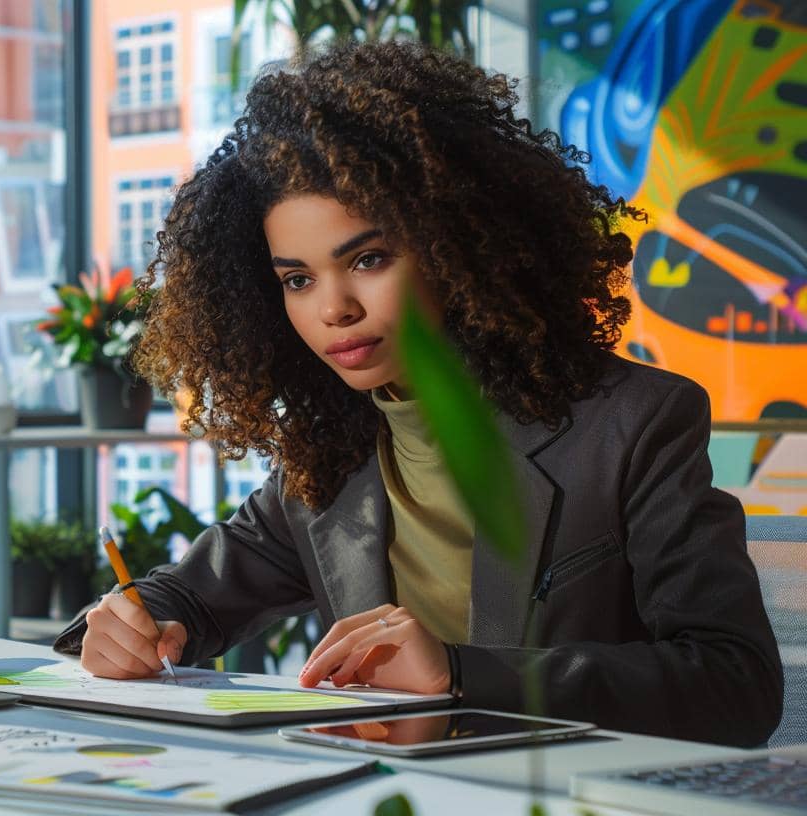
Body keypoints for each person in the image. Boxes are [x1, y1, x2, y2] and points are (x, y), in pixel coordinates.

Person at [53, 39, 783, 747]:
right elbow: (185, 597)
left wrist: (462, 674)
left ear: (454, 245)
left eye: (367, 259)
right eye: (297, 279)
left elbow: (737, 685)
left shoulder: (633, 424)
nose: (333, 308)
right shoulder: (325, 459)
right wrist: (131, 621)